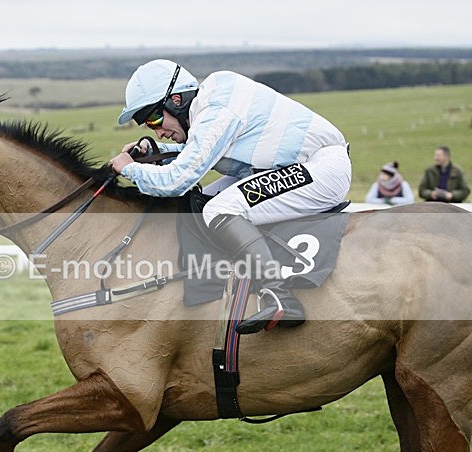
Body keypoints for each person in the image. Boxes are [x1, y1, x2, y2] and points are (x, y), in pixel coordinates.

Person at [109, 59, 352, 334]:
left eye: (155, 119)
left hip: (320, 169)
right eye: (148, 126)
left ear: (176, 100)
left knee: (219, 209)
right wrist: (154, 150)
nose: (157, 129)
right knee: (205, 202)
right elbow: (199, 150)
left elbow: (177, 181)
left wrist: (131, 170)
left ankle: (279, 296)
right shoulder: (210, 104)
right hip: (293, 167)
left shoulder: (217, 109)